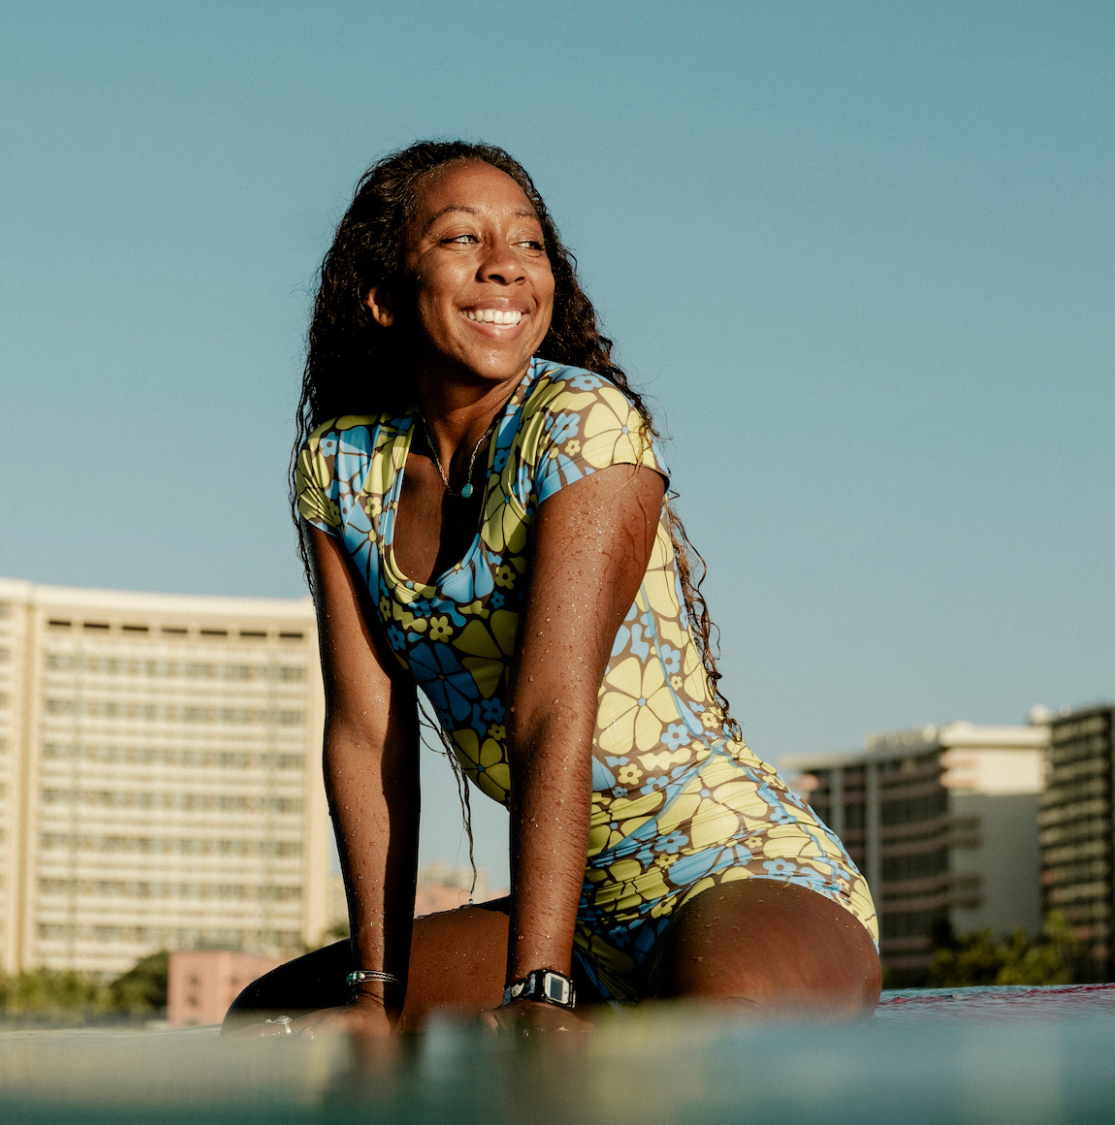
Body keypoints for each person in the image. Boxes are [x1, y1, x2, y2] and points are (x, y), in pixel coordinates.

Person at [224, 140, 880, 1037]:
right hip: (577, 915)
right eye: (462, 238)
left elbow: (550, 708)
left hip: (734, 870)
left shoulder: (582, 426)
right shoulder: (341, 468)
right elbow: (364, 730)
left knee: (706, 1039)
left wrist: (537, 986)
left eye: (529, 244)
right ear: (382, 297)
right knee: (276, 1020)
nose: (505, 265)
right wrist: (374, 992)